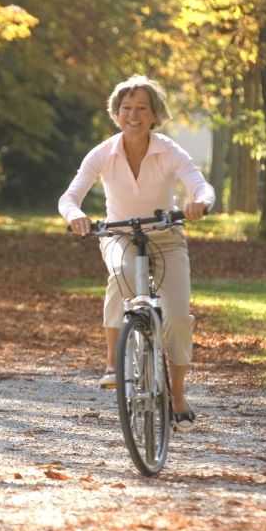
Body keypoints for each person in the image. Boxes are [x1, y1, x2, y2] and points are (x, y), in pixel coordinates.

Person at [58, 75, 214, 430]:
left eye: (141, 108)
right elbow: (69, 197)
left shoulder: (169, 151)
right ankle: (114, 363)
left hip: (166, 236)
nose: (133, 114)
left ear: (155, 114)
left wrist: (200, 203)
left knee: (176, 316)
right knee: (122, 274)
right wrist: (76, 215)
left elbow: (199, 184)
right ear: (116, 113)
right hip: (118, 235)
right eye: (126, 108)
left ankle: (177, 395)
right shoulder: (103, 153)